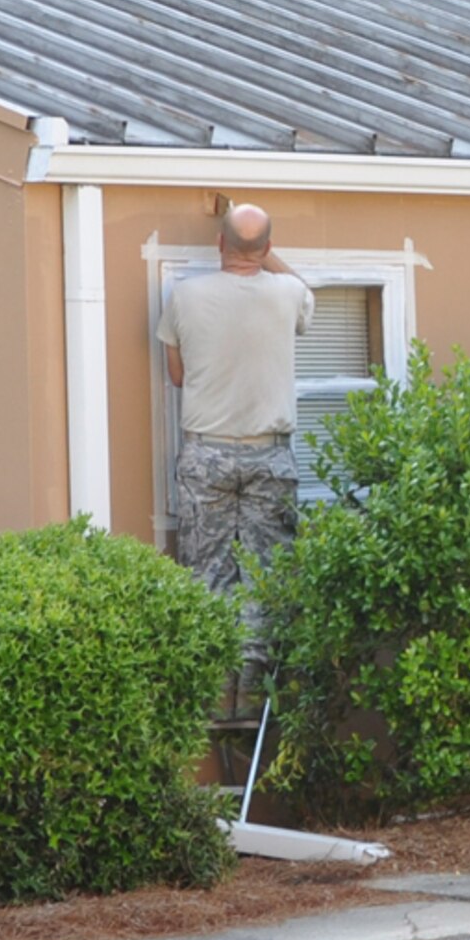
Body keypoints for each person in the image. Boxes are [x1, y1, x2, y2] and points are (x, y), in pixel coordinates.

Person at [156, 202, 313, 674]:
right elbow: (304, 293)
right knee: (269, 572)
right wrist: (265, 253)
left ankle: (213, 680)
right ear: (266, 248)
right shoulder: (287, 292)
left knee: (208, 569)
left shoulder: (184, 296)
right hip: (269, 455)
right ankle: (259, 679)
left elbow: (178, 376)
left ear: (219, 243)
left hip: (207, 455)